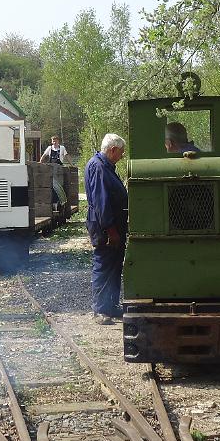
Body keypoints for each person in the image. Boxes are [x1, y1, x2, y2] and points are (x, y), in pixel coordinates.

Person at [84, 134, 128, 325]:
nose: (122, 155)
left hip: (113, 226)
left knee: (114, 266)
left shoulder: (106, 166)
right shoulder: (99, 167)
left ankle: (110, 305)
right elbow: (102, 203)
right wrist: (111, 231)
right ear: (112, 150)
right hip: (105, 228)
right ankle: (100, 310)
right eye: (121, 152)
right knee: (103, 266)